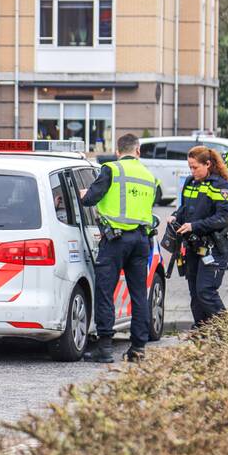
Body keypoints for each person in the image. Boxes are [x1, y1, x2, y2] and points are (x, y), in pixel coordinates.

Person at [78, 132, 159, 363]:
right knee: (139, 294)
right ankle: (138, 348)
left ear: (117, 151)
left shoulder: (111, 169)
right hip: (141, 241)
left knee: (105, 292)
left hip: (115, 241)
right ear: (138, 151)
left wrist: (84, 194)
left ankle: (104, 348)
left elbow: (90, 199)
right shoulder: (149, 176)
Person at [168, 146, 228, 328]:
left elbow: (222, 218)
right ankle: (202, 331)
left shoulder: (222, 186)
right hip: (193, 246)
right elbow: (185, 208)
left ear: (208, 164)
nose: (192, 171)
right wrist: (175, 216)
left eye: (195, 167)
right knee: (195, 294)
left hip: (215, 247)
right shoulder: (190, 182)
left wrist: (194, 226)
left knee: (206, 291)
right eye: (190, 167)